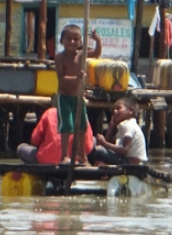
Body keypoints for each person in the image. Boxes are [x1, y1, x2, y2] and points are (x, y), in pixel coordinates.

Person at [54, 24, 102, 165]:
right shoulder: (59, 58)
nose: (72, 42)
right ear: (61, 41)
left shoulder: (82, 55)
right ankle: (64, 156)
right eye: (69, 39)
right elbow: (61, 79)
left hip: (78, 97)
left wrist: (97, 40)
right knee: (67, 126)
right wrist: (77, 78)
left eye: (76, 39)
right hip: (65, 97)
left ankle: (82, 157)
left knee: (82, 127)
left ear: (81, 42)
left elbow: (97, 53)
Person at [17, 107, 95, 165]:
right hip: (74, 161)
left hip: (46, 160)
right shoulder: (82, 115)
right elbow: (88, 148)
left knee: (21, 148)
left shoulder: (49, 113)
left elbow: (34, 140)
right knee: (93, 140)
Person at [89, 96, 148, 166]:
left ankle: (91, 165)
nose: (114, 111)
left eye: (118, 108)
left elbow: (124, 150)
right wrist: (111, 126)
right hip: (123, 158)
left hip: (129, 163)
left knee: (99, 151)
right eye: (114, 109)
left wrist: (104, 143)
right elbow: (106, 142)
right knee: (93, 141)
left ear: (131, 111)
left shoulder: (129, 126)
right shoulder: (123, 125)